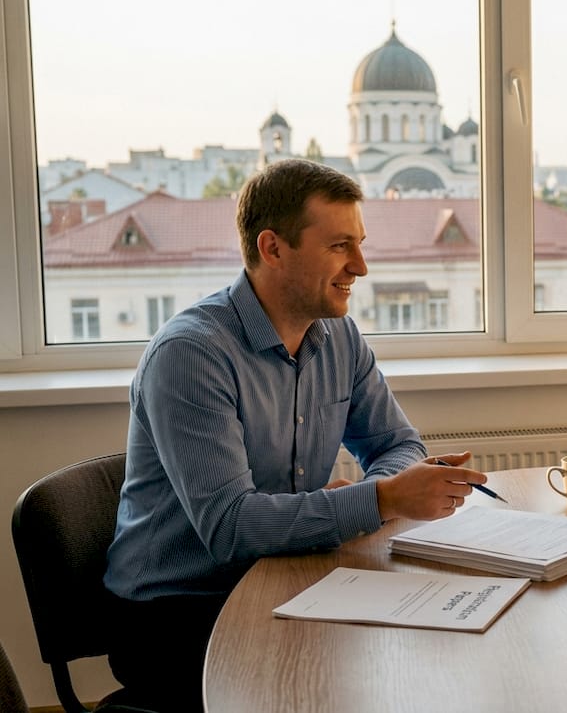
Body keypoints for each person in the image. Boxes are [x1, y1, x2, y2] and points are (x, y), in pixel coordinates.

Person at [104, 158, 488, 712]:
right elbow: (232, 528)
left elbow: (398, 446)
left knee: (431, 654)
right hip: (179, 610)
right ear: (272, 248)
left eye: (359, 244)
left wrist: (367, 497)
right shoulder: (191, 354)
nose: (360, 266)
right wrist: (377, 500)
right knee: (362, 681)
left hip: (289, 575)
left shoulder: (339, 335)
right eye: (339, 246)